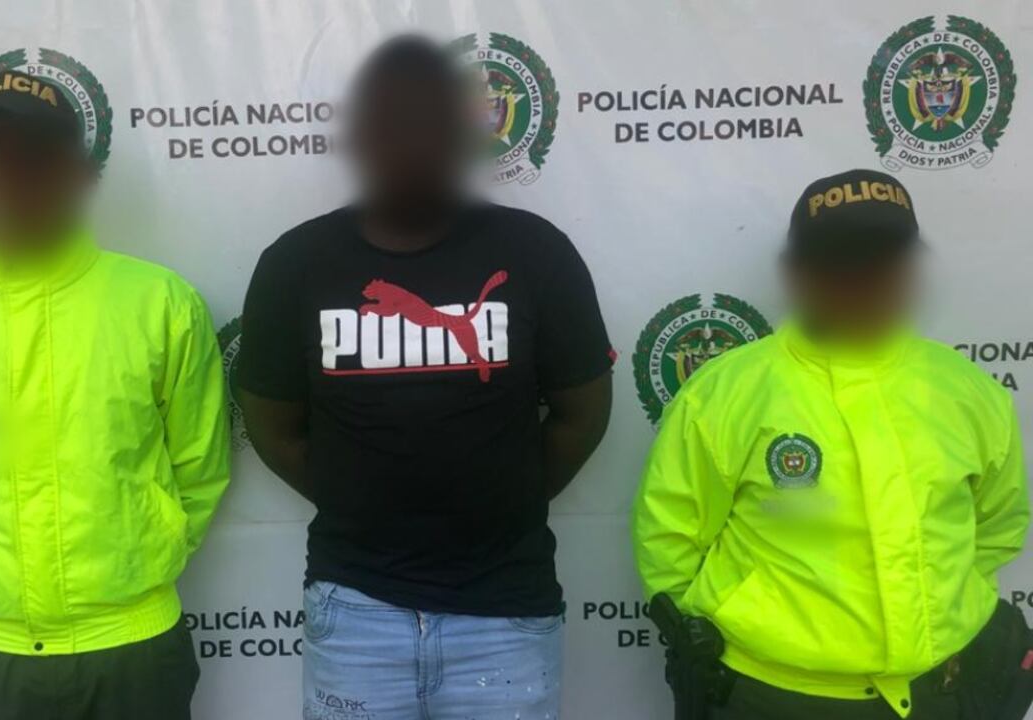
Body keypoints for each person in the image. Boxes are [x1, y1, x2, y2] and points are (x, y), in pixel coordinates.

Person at [236, 36, 614, 719]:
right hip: (354, 609)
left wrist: (507, 498)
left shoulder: (535, 252)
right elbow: (270, 421)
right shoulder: (296, 263)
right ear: (361, 138)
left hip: (505, 613)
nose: (411, 141)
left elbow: (582, 413)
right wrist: (358, 501)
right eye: (392, 121)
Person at [0, 68, 230, 720]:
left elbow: (199, 466)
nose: (11, 177)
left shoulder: (160, 304)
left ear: (80, 175)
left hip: (131, 644)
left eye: (35, 157)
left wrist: (145, 547)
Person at [633, 169, 1031, 719]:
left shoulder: (967, 391)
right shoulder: (727, 393)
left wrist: (940, 610)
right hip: (768, 694)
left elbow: (996, 526)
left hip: (939, 690)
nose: (862, 279)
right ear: (801, 275)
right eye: (838, 261)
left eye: (883, 261)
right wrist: (733, 625)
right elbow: (669, 536)